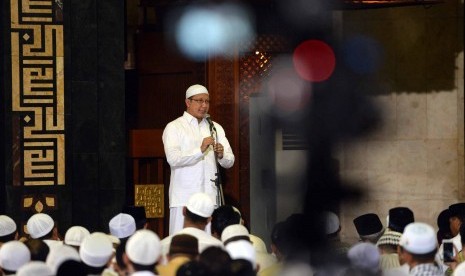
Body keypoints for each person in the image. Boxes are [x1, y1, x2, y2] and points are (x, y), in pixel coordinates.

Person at [162, 84, 235, 235]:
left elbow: (230, 161)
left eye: (207, 101)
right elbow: (173, 159)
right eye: (199, 101)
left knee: (208, 245)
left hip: (209, 198)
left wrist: (221, 155)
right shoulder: (174, 127)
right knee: (182, 242)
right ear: (188, 102)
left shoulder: (215, 128)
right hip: (184, 198)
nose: (204, 105)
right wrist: (200, 150)